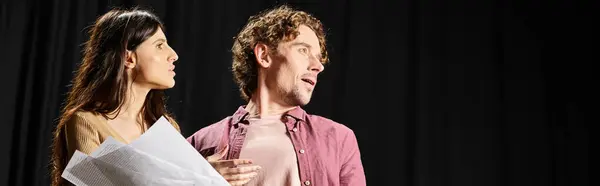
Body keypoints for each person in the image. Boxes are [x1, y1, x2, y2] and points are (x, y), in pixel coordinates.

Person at [187, 5, 366, 186]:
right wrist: (199, 179)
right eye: (303, 50)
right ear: (264, 55)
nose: (318, 66)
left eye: (319, 58)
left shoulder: (338, 139)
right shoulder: (200, 143)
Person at [50, 8, 180, 186]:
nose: (173, 55)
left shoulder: (167, 127)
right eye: (159, 45)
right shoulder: (85, 122)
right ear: (128, 58)